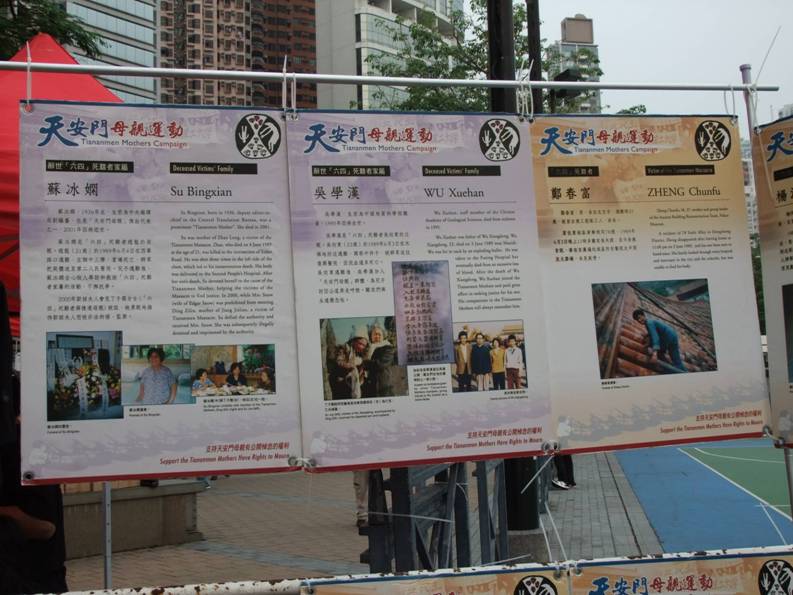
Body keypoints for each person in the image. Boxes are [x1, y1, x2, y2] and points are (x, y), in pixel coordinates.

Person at [362, 324, 398, 398]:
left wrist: (364, 363)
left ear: (383, 336)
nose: (377, 336)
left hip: (382, 387)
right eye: (374, 334)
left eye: (379, 334)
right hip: (370, 387)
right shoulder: (368, 349)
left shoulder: (388, 348)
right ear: (371, 337)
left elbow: (379, 364)